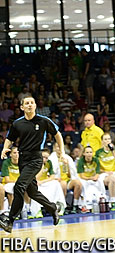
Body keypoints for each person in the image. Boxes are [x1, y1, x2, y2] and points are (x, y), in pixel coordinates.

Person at [0, 94, 63, 233]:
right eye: (27, 103)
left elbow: (57, 134)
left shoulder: (43, 121)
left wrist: (62, 152)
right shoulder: (17, 123)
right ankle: (53, 208)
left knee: (19, 187)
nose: (30, 105)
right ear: (22, 107)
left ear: (35, 106)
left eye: (32, 102)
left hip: (35, 159)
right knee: (32, 192)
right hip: (23, 159)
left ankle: (10, 221)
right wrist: (5, 148)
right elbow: (10, 138)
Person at [30, 148, 66, 218]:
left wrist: (43, 181)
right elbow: (36, 178)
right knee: (35, 188)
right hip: (36, 182)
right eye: (43, 157)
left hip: (43, 182)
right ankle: (37, 211)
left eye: (46, 158)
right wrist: (41, 167)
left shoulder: (49, 162)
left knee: (56, 183)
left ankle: (60, 206)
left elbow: (52, 176)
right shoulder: (34, 163)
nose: (45, 159)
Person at [95, 133, 115, 211]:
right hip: (104, 174)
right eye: (105, 139)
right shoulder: (98, 152)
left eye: (109, 139)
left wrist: (113, 152)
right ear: (102, 141)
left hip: (114, 171)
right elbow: (97, 168)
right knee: (112, 178)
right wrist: (105, 171)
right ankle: (112, 202)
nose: (107, 141)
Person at [49, 142, 84, 214]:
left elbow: (71, 175)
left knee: (78, 183)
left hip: (68, 180)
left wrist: (67, 165)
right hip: (57, 181)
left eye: (60, 147)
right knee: (63, 184)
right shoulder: (50, 159)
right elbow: (48, 174)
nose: (59, 149)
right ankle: (64, 206)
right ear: (54, 148)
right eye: (57, 147)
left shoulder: (68, 158)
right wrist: (55, 179)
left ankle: (75, 205)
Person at [76, 146, 105, 212]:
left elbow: (98, 172)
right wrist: (90, 178)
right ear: (84, 154)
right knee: (84, 185)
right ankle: (85, 205)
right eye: (87, 152)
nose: (89, 154)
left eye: (90, 152)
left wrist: (96, 177)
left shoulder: (96, 160)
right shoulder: (80, 161)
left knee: (100, 182)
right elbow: (82, 176)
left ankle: (102, 200)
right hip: (84, 179)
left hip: (92, 177)